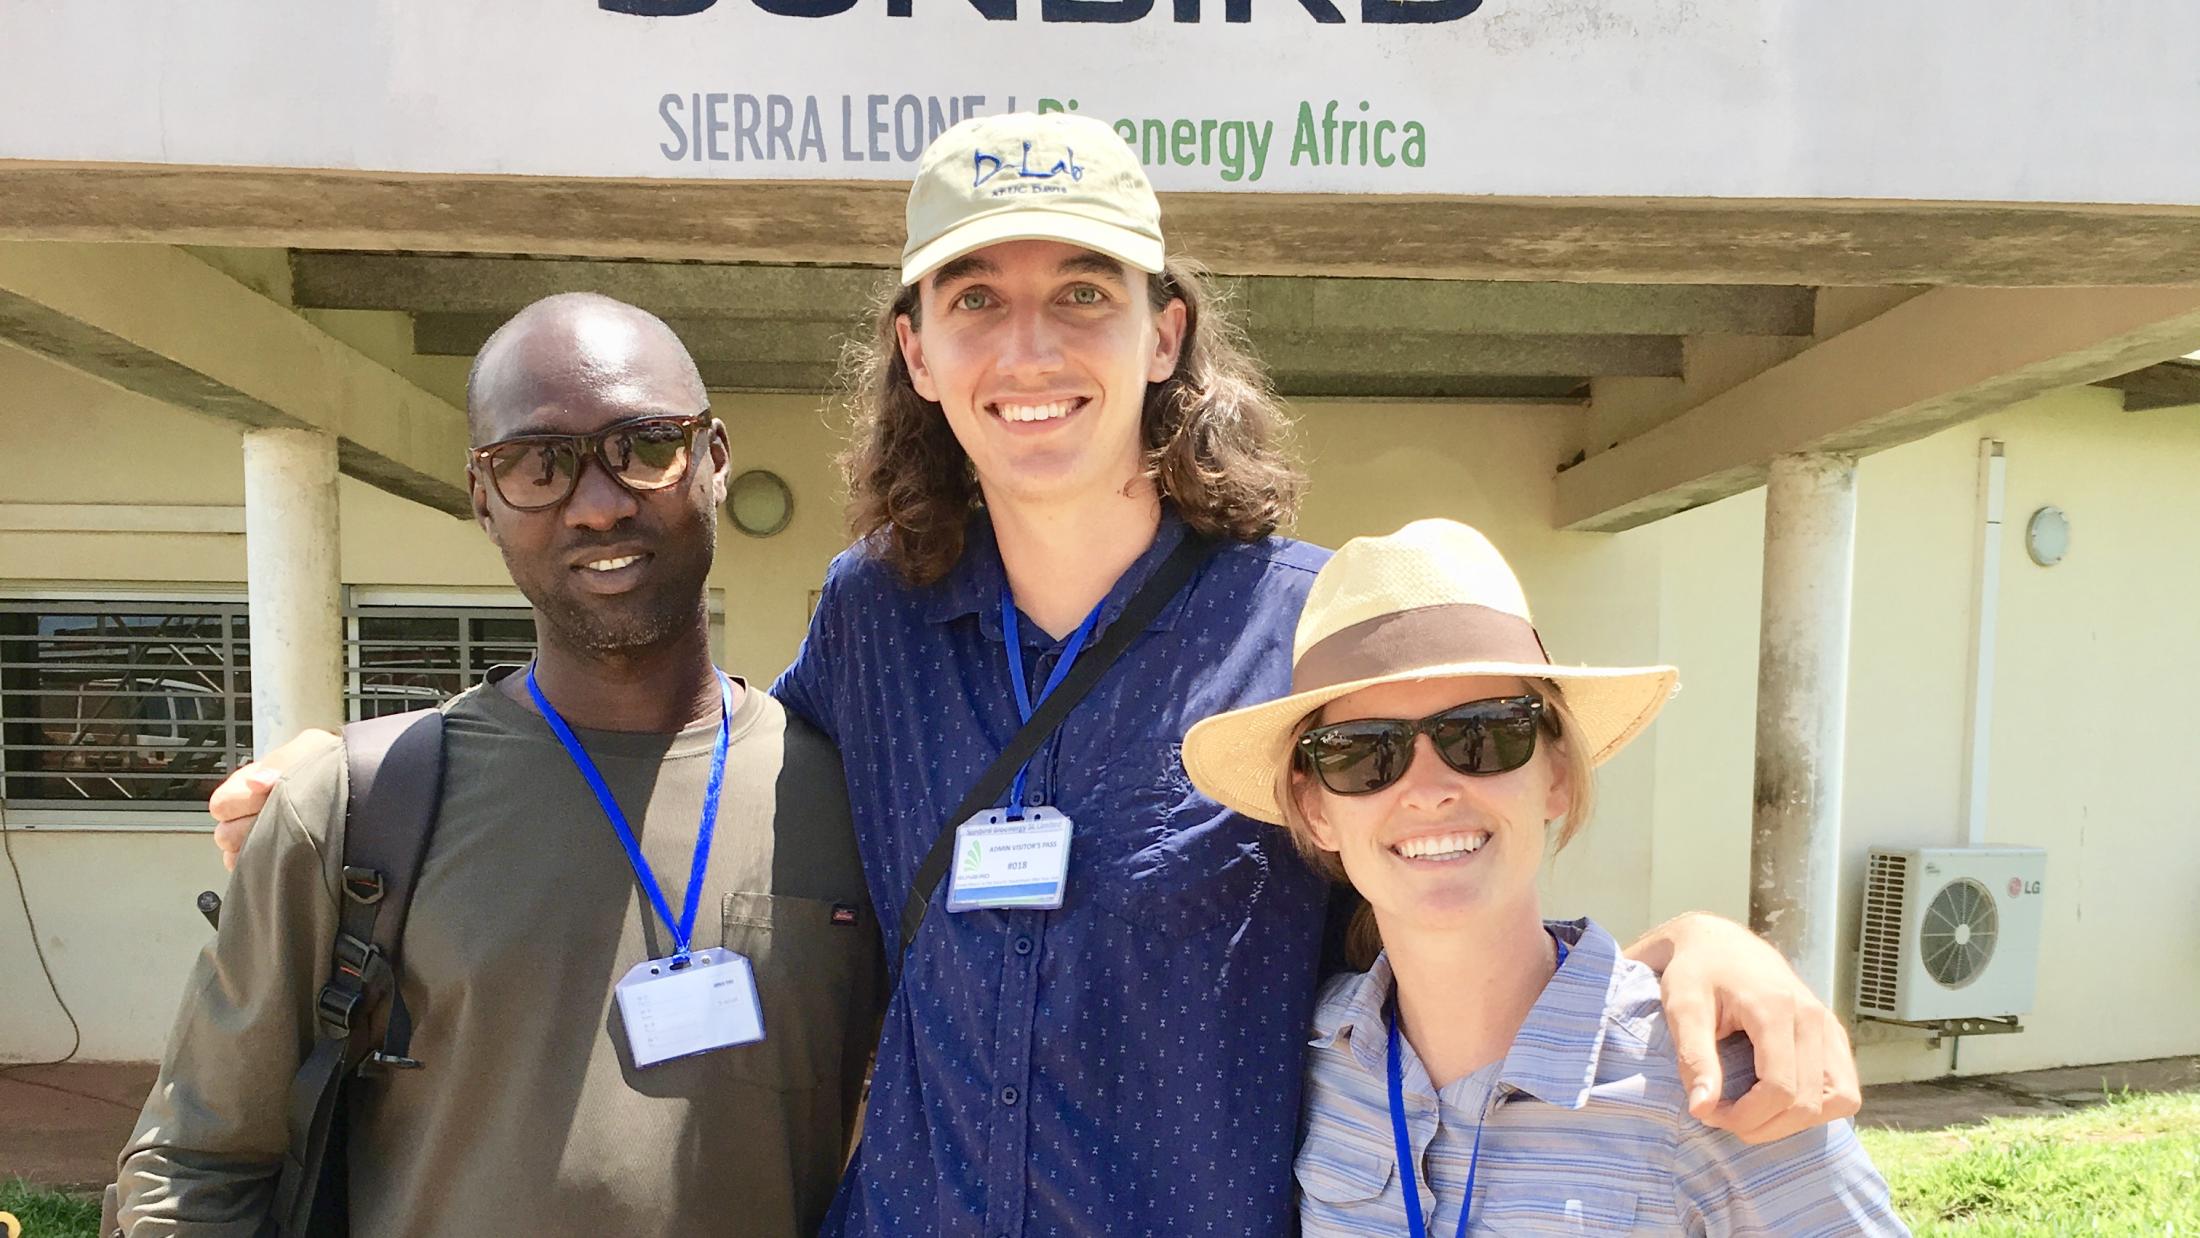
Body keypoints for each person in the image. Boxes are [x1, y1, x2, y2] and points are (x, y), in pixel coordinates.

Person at [213, 114, 1861, 1236]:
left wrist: (1694, 945)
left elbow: (1464, 862)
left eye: (1083, 293)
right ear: (918, 355)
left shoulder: (1300, 637)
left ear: (1164, 333)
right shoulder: (874, 620)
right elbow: (693, 768)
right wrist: (344, 776)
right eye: (974, 301)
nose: (1030, 347)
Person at [120, 294, 882, 1237]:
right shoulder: (358, 809)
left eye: (645, 445)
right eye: (538, 464)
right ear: (483, 499)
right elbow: (197, 1163)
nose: (599, 505)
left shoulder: (848, 793)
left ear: (714, 459)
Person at [1182, 519, 1904, 1235]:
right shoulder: (1304, 1059)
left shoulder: (1713, 1087)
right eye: (1360, 752)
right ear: (1316, 810)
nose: (1428, 789)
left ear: (1557, 773)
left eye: (1485, 734)